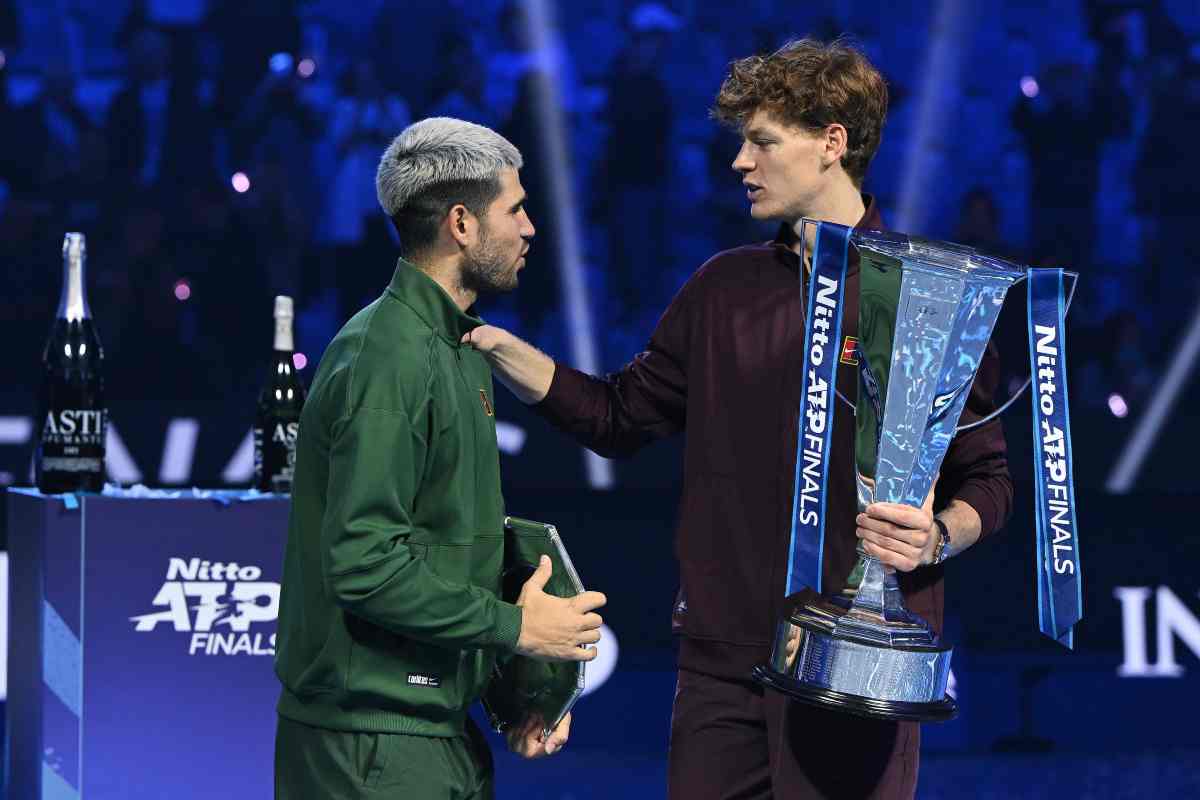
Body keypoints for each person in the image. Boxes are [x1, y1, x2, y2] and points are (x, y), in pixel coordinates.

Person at [465, 39, 1013, 799]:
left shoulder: (928, 292)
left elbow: (988, 478)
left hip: (858, 667)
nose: (739, 163)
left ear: (832, 143)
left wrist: (941, 534)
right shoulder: (723, 288)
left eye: (761, 142)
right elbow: (620, 417)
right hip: (723, 666)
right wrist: (500, 349)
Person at [273, 117, 607, 799]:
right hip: (371, 749)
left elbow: (442, 544)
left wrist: (512, 695)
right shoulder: (387, 356)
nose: (530, 227)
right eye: (514, 208)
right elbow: (366, 562)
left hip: (433, 732)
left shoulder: (460, 348)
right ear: (462, 223)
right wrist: (517, 627)